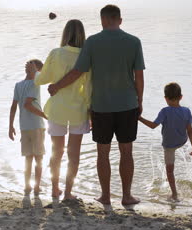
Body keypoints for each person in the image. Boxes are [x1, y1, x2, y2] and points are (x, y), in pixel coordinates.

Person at [47, 5, 144, 205]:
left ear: (102, 20)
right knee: (127, 151)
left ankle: (106, 196)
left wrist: (56, 86)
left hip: (101, 106)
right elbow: (139, 76)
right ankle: (126, 196)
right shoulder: (134, 42)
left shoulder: (92, 42)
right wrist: (139, 101)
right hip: (127, 105)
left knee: (103, 153)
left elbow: (77, 72)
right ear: (120, 20)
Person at [27, 19, 91, 200]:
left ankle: (55, 190)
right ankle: (68, 193)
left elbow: (41, 80)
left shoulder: (56, 53)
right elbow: (88, 87)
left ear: (65, 34)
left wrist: (36, 71)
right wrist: (89, 110)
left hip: (57, 110)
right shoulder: (86, 56)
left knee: (57, 152)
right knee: (74, 155)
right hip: (78, 110)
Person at [139, 82, 192, 201]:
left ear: (165, 98)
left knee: (169, 171)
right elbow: (190, 131)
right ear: (181, 97)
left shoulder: (164, 111)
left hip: (169, 145)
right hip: (182, 140)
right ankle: (175, 191)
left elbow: (153, 126)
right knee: (182, 136)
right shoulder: (186, 111)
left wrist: (139, 118)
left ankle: (174, 194)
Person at [9, 59, 47, 196]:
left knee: (28, 158)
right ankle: (36, 187)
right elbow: (28, 105)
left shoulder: (18, 85)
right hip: (36, 125)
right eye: (40, 72)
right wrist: (45, 115)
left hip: (24, 126)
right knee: (39, 158)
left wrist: (10, 126)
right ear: (37, 71)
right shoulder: (35, 84)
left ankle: (27, 186)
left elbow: (13, 107)